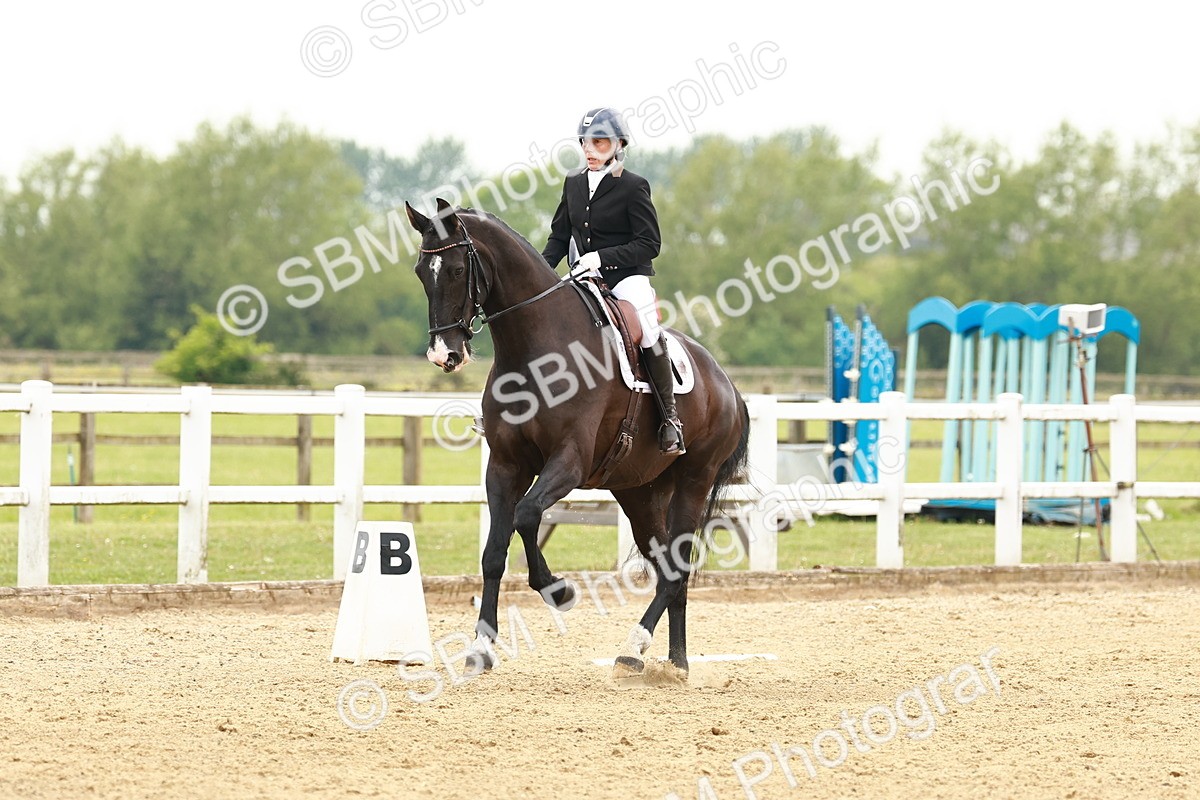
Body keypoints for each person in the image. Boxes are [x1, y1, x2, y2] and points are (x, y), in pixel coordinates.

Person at [541, 107, 685, 455]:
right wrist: (541, 276)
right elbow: (560, 237)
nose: (590, 150)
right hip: (582, 277)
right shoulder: (573, 183)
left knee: (648, 331)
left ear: (618, 145)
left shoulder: (634, 186)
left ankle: (670, 421)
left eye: (599, 142)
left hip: (627, 279)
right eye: (585, 143)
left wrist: (602, 258)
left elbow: (649, 244)